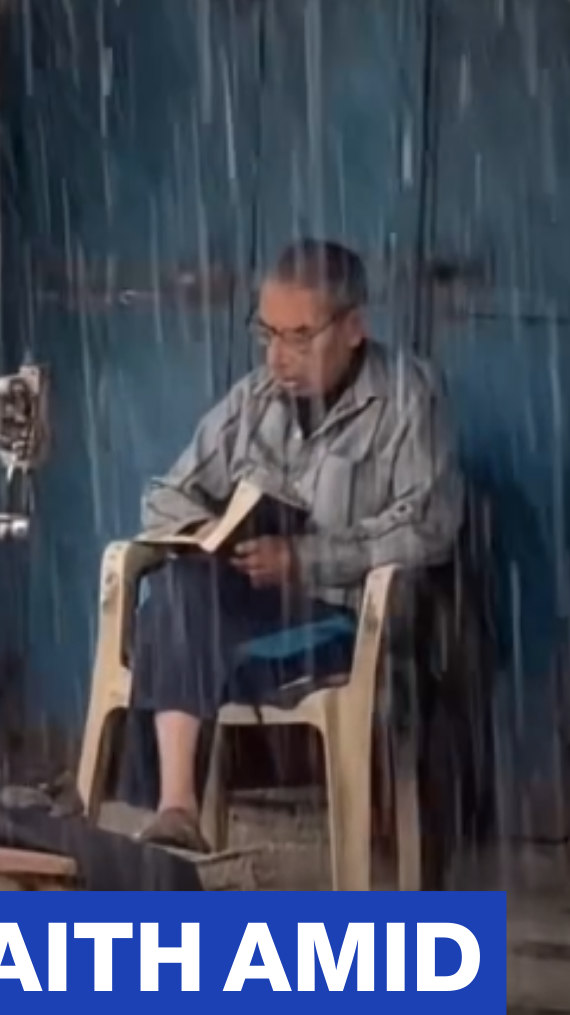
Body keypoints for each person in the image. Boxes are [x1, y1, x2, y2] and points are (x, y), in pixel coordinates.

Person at [122, 238, 468, 860]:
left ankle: (168, 808)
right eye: (268, 333)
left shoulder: (408, 398)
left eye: (301, 337)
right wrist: (210, 532)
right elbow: (165, 494)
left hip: (346, 622)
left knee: (166, 628)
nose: (278, 357)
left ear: (354, 328)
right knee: (179, 587)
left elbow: (430, 526)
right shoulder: (255, 399)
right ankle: (177, 809)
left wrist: (305, 558)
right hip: (255, 615)